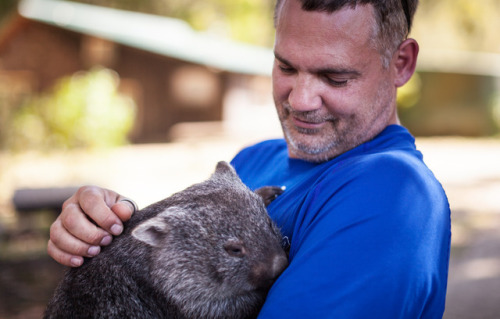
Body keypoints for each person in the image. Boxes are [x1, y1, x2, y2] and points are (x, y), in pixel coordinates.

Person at [48, 0, 451, 318]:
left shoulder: (393, 193)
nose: (300, 100)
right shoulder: (252, 161)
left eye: (335, 77)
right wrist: (107, 228)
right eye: (286, 66)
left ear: (400, 64)